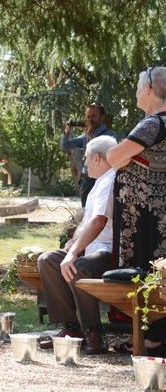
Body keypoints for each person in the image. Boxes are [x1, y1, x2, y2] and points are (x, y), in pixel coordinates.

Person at [38, 135, 118, 354]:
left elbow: (99, 221)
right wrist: (72, 242)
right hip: (90, 250)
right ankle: (72, 329)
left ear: (98, 158)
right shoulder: (99, 182)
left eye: (86, 158)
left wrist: (73, 253)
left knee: (77, 268)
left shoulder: (110, 180)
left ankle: (95, 333)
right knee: (48, 261)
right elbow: (86, 221)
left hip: (108, 252)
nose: (84, 164)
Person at [107, 66, 166, 356]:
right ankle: (152, 336)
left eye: (138, 86)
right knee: (158, 272)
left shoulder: (152, 123)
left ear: (150, 90)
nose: (135, 92)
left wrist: (117, 156)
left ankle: (149, 338)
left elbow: (113, 156)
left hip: (144, 217)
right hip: (157, 215)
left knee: (143, 273)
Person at [61, 103, 116, 206]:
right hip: (87, 181)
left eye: (93, 116)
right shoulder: (85, 136)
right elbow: (65, 146)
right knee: (85, 212)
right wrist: (67, 130)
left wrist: (90, 137)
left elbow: (103, 156)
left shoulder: (110, 135)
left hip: (103, 181)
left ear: (102, 117)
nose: (89, 119)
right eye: (87, 116)